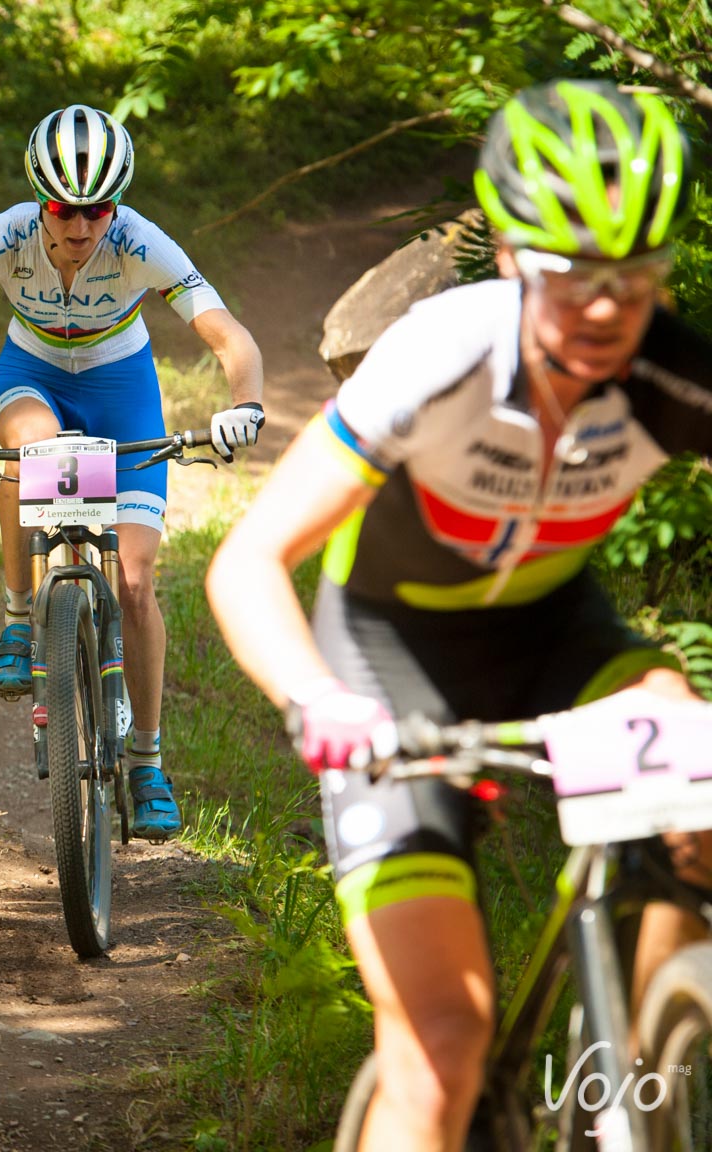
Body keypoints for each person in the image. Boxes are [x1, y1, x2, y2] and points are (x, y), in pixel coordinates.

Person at [206, 80, 712, 1151]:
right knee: (439, 1048)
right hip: (386, 656)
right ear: (509, 260)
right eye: (570, 272)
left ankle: (645, 1063)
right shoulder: (438, 356)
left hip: (555, 640)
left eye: (635, 276)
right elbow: (248, 560)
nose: (605, 307)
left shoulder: (676, 376)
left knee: (688, 755)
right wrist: (314, 701)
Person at [0, 103, 266, 840]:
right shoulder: (4, 237)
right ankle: (21, 621)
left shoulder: (139, 242)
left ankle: (148, 762)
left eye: (99, 210)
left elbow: (228, 334)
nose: (82, 227)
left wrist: (244, 404)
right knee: (38, 454)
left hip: (124, 389)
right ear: (39, 200)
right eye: (65, 209)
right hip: (35, 376)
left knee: (136, 581)